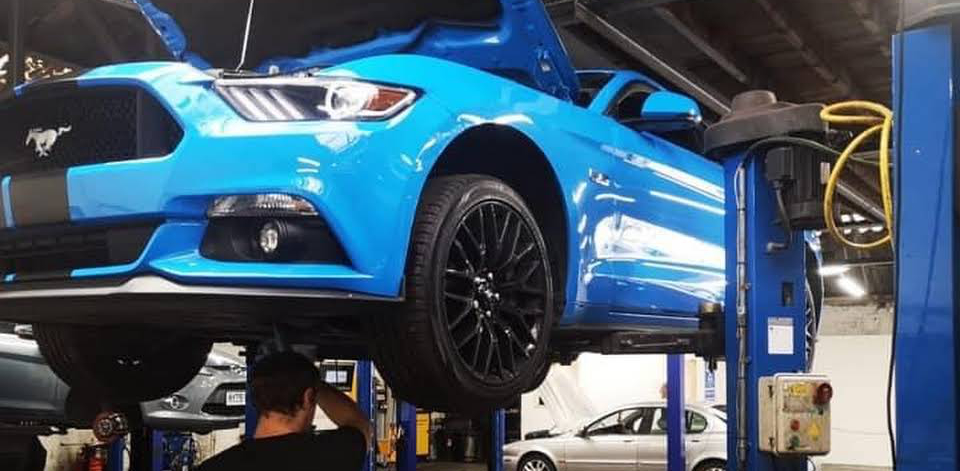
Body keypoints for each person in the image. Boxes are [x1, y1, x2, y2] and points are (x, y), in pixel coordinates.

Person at [198, 351, 373, 471]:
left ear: (257, 399)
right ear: (308, 398)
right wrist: (316, 384)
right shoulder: (330, 456)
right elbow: (359, 424)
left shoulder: (214, 466)